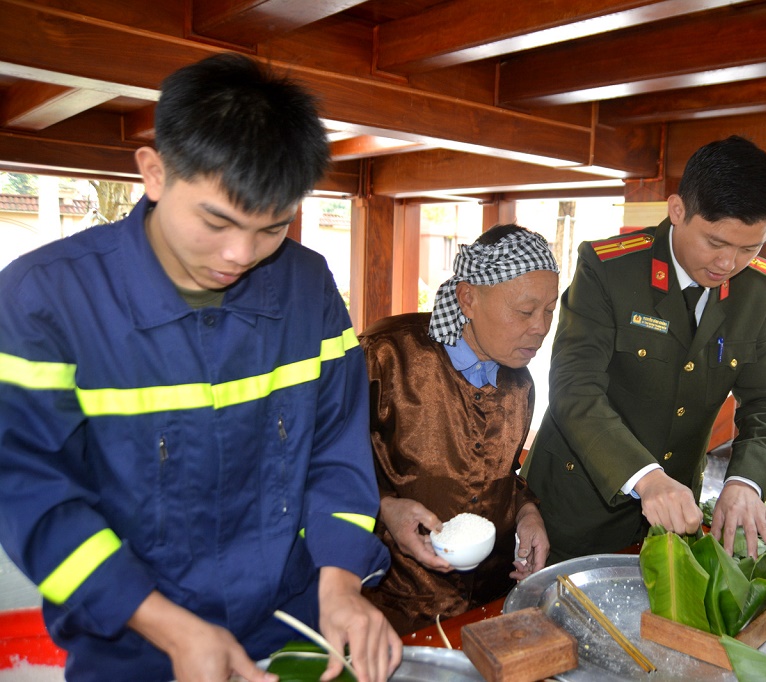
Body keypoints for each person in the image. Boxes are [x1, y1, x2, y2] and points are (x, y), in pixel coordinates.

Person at [0, 53, 401, 682]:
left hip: (290, 628)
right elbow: (32, 496)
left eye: (272, 227)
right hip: (135, 643)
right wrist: (168, 627)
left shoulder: (308, 287)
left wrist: (342, 584)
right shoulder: (44, 299)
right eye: (217, 221)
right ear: (154, 173)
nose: (239, 254)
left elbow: (336, 455)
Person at [522, 135, 766, 563]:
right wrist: (646, 477)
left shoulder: (755, 288)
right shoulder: (608, 269)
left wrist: (745, 483)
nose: (728, 264)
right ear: (678, 210)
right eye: (716, 243)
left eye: (749, 248)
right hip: (579, 503)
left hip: (675, 512)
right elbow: (575, 388)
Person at [359, 225, 558, 635]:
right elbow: (319, 461)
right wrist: (383, 507)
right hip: (392, 607)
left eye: (550, 309)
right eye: (525, 311)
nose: (541, 327)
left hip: (485, 605)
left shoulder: (520, 383)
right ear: (468, 298)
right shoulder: (386, 356)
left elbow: (503, 475)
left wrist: (527, 512)